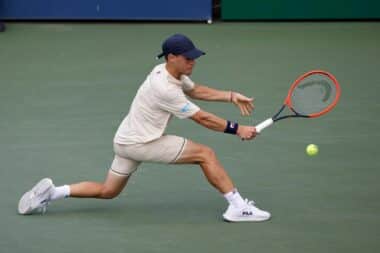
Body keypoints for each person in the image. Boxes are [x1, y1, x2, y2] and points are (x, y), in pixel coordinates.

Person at [18, 34, 271, 222]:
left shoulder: (166, 72)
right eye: (188, 57)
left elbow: (196, 90)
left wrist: (231, 95)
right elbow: (202, 119)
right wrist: (237, 129)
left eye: (194, 57)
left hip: (125, 141)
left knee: (108, 191)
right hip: (142, 144)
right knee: (206, 154)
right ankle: (237, 206)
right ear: (172, 58)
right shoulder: (165, 89)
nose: (193, 61)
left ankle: (52, 193)